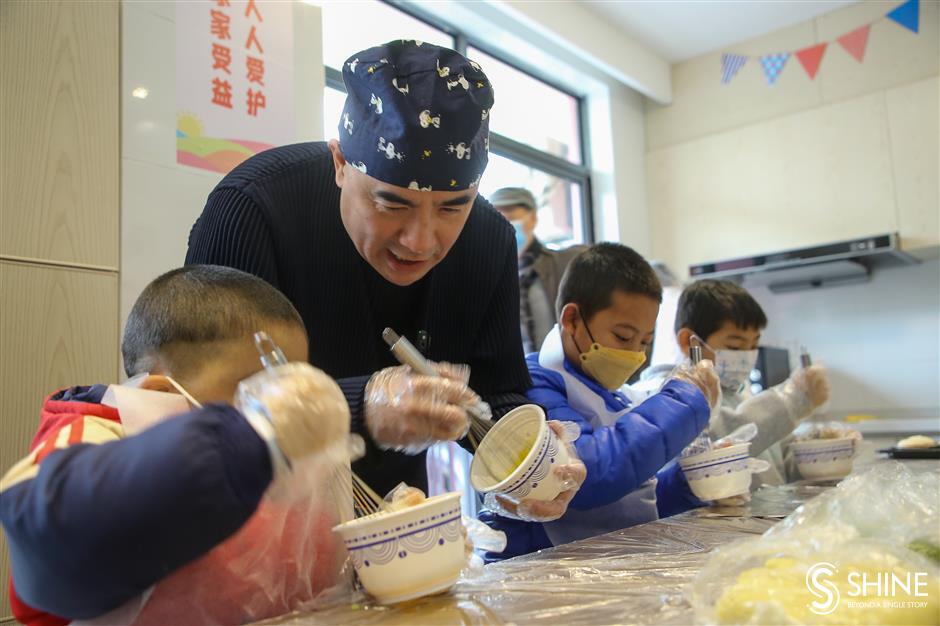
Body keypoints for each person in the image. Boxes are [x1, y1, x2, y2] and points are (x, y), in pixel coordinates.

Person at [185, 40, 584, 519]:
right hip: (258, 521)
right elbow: (201, 401)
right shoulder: (253, 207)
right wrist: (358, 406)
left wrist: (527, 453)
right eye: (392, 204)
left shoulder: (490, 239)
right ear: (339, 164)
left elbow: (494, 389)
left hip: (399, 522)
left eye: (453, 207)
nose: (420, 241)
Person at [0, 265, 351, 625]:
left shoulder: (261, 466)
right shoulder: (90, 437)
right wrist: (245, 439)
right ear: (161, 394)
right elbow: (55, 535)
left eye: (290, 387)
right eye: (256, 389)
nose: (283, 406)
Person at [479, 243, 721, 559]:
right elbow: (590, 474)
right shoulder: (530, 384)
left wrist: (690, 481)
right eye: (623, 336)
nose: (635, 354)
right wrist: (685, 398)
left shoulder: (609, 395)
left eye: (645, 342)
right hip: (542, 577)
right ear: (572, 319)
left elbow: (628, 505)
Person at [638, 279, 830, 486]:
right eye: (735, 347)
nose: (747, 357)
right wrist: (792, 400)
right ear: (688, 341)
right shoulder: (664, 395)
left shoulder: (738, 391)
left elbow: (775, 461)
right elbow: (714, 444)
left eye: (754, 346)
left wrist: (820, 451)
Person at [489, 187, 587, 354]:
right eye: (497, 222)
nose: (504, 229)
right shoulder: (488, 276)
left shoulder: (565, 263)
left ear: (533, 218)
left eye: (511, 219)